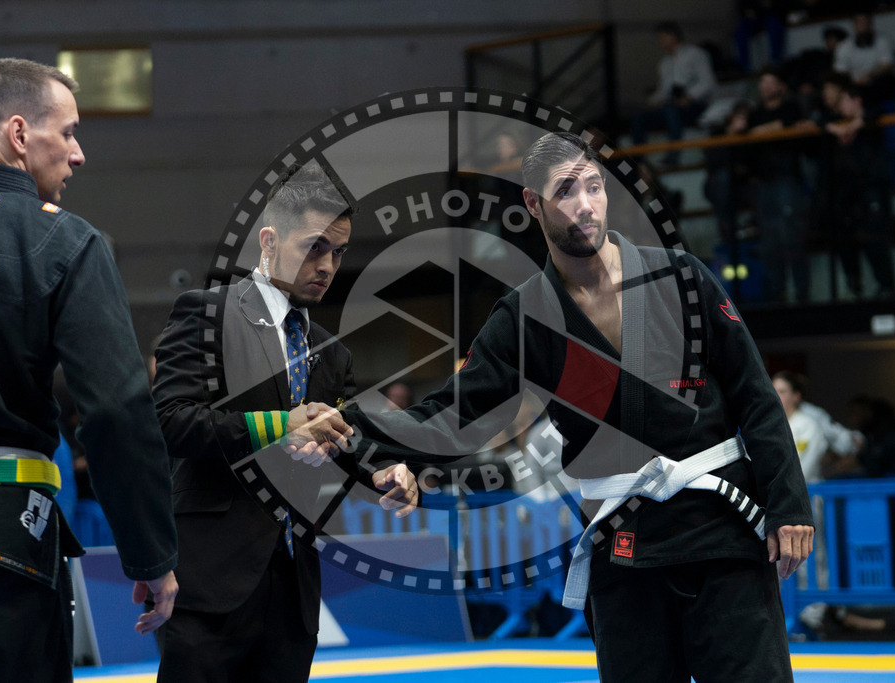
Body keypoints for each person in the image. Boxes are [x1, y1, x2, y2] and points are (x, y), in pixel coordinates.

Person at [340, 132, 813, 681]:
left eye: (594, 186)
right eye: (565, 191)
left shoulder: (681, 278)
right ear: (533, 204)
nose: (585, 204)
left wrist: (789, 507)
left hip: (721, 533)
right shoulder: (526, 317)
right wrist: (353, 435)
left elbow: (758, 398)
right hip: (624, 544)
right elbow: (452, 416)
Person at [0, 58, 178, 682]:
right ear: (19, 135)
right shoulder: (62, 242)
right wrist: (150, 557)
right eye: (67, 132)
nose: (78, 155)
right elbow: (116, 410)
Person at [152, 162, 418, 683]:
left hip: (293, 586)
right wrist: (277, 425)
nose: (328, 265)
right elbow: (170, 421)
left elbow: (341, 439)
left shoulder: (332, 353)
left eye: (338, 252)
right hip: (211, 578)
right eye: (314, 246)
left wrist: (384, 471)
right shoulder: (206, 314)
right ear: (269, 241)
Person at [732, 66, 812, 302]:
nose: (765, 87)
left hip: (787, 180)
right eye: (762, 82)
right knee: (769, 242)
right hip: (764, 183)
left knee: (793, 238)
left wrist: (755, 131)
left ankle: (802, 294)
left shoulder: (791, 107)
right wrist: (742, 132)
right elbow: (745, 142)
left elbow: (787, 124)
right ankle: (778, 293)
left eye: (770, 82)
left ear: (781, 86)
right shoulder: (755, 114)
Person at [824, 82, 895, 298]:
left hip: (872, 189)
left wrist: (855, 124)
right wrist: (837, 127)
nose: (840, 108)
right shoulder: (836, 122)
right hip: (847, 192)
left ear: (857, 101)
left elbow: (878, 111)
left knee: (874, 239)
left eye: (844, 102)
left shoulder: (871, 118)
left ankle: (887, 287)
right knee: (846, 240)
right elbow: (818, 121)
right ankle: (854, 286)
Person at [630, 21, 718, 167]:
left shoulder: (695, 54)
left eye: (662, 37)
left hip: (696, 105)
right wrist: (651, 102)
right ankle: (638, 161)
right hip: (672, 106)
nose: (660, 42)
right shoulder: (665, 63)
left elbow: (707, 82)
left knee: (672, 110)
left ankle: (673, 156)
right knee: (639, 117)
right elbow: (664, 91)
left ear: (672, 36)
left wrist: (689, 97)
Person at [772, 371, 828, 484]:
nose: (776, 395)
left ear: (796, 396)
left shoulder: (809, 426)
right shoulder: (769, 426)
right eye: (773, 390)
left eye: (782, 391)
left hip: (806, 494)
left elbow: (804, 469)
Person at [833, 13, 895, 104]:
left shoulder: (882, 41)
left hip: (877, 81)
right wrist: (854, 80)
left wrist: (870, 76)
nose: (863, 26)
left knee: (886, 81)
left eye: (865, 22)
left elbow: (888, 64)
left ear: (871, 24)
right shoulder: (844, 46)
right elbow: (840, 71)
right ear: (854, 25)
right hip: (854, 85)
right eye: (860, 23)